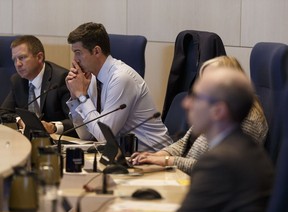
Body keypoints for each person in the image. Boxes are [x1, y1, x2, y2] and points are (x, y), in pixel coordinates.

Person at [131, 56, 268, 174]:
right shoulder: (213, 107)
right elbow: (184, 143)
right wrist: (157, 155)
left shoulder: (246, 118)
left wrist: (166, 161)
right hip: (184, 176)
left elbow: (216, 169)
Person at [175, 64, 274, 212]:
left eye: (195, 97)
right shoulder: (245, 150)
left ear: (218, 111)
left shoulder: (219, 162)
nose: (186, 103)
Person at [65, 22, 172, 151]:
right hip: (125, 156)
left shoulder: (121, 78)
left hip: (156, 156)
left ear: (96, 51)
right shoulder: (93, 79)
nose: (75, 60)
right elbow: (86, 135)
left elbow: (104, 136)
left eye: (78, 53)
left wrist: (82, 96)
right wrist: (75, 97)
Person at [0, 35, 75, 136]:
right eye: (14, 60)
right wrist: (19, 120)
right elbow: (3, 113)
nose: (17, 64)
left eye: (22, 58)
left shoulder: (60, 79)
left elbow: (76, 121)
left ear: (39, 57)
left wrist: (53, 127)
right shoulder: (18, 80)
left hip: (56, 142)